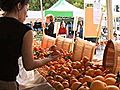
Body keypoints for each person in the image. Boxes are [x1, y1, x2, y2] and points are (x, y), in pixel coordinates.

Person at [0, 0, 60, 90]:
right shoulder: (25, 31)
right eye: (26, 9)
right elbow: (29, 65)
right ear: (19, 5)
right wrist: (50, 58)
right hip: (6, 83)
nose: (27, 14)